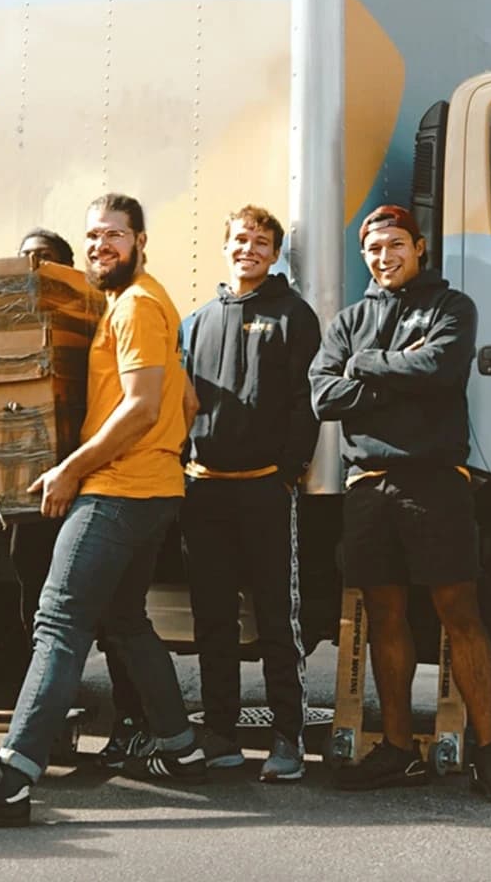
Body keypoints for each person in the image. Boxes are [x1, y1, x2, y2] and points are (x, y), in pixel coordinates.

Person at [0, 193, 202, 825]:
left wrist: (72, 468)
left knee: (57, 622)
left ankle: (9, 781)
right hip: (154, 489)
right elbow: (188, 404)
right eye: (93, 236)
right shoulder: (142, 302)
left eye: (115, 236)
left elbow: (145, 406)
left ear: (141, 241)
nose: (101, 246)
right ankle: (179, 747)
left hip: (118, 490)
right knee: (124, 620)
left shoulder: (137, 306)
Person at [309, 204, 491, 803]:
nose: (386, 256)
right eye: (375, 249)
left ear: (419, 247)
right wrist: (396, 375)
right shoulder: (349, 320)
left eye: (397, 245)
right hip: (369, 485)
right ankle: (400, 750)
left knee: (461, 611)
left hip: (435, 480)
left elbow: (441, 366)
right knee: (384, 615)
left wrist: (369, 368)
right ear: (364, 255)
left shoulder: (452, 307)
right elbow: (324, 397)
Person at [181, 205, 320, 781]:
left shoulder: (294, 315)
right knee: (212, 620)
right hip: (204, 493)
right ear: (225, 245)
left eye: (261, 242)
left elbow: (304, 402)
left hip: (265, 490)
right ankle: (220, 734)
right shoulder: (197, 320)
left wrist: (286, 471)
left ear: (275, 252)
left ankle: (288, 740)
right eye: (241, 239)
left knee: (276, 622)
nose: (249, 249)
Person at [9, 224, 146, 768]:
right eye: (26, 260)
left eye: (45, 260)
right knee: (38, 612)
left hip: (90, 485)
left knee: (112, 615)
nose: (34, 269)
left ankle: (131, 720)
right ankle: (43, 716)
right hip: (35, 493)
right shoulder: (14, 325)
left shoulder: (95, 316)